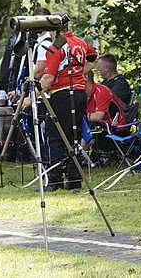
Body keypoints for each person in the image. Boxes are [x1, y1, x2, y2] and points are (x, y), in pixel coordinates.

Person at [40, 25, 98, 191]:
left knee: (55, 136)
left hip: (62, 94)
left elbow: (48, 78)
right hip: (79, 93)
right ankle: (74, 179)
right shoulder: (80, 42)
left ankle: (55, 180)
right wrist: (80, 72)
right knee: (74, 136)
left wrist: (31, 96)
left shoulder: (55, 47)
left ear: (53, 30)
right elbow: (94, 57)